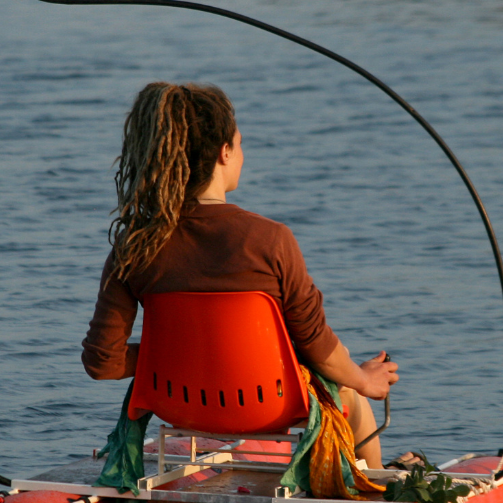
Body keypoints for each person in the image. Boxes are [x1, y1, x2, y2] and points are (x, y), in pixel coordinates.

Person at [81, 82, 397, 466]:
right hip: (271, 407)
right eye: (240, 144)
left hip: (178, 408)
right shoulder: (271, 239)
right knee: (349, 388)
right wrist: (366, 381)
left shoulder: (133, 246)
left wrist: (179, 360)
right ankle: (372, 498)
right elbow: (317, 347)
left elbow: (104, 363)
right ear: (224, 152)